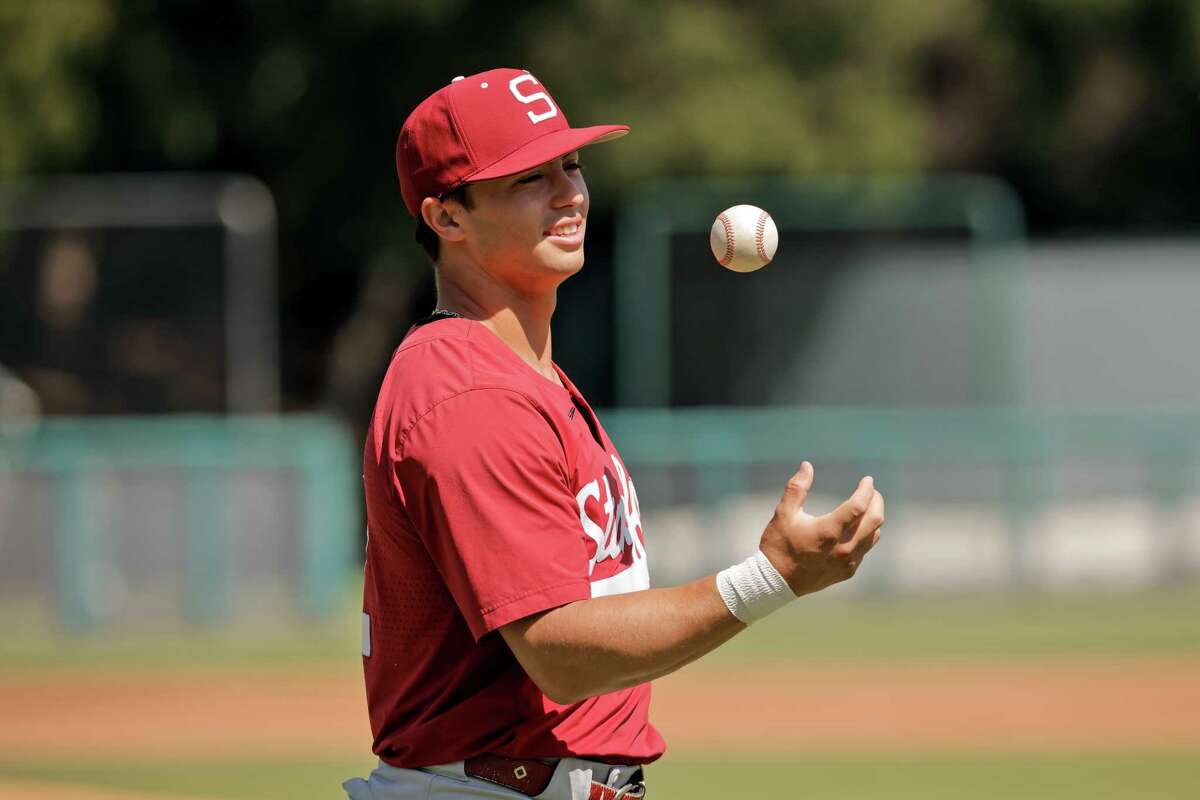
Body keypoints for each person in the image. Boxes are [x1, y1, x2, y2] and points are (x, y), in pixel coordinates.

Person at [344, 68, 885, 800]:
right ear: (447, 219)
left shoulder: (525, 377)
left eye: (571, 165)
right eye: (528, 178)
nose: (568, 194)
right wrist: (772, 578)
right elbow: (561, 655)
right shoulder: (469, 392)